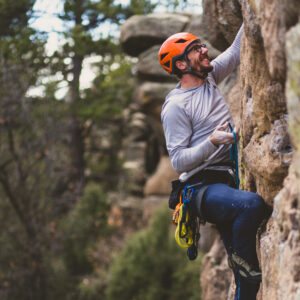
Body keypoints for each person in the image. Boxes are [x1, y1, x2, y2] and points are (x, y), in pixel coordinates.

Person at [159, 25, 269, 300]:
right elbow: (178, 161)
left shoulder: (209, 78)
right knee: (252, 205)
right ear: (181, 64)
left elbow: (234, 51)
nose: (205, 50)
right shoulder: (176, 106)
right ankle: (242, 262)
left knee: (249, 286)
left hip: (224, 181)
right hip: (201, 188)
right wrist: (212, 142)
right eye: (196, 50)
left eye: (202, 45)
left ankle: (242, 270)